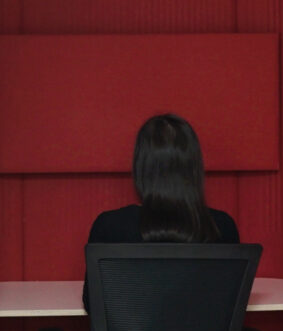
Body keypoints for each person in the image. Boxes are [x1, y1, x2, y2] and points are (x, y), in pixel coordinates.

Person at [83, 113, 240, 308]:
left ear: (141, 167)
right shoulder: (222, 226)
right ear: (194, 166)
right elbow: (231, 306)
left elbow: (92, 303)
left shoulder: (109, 226)